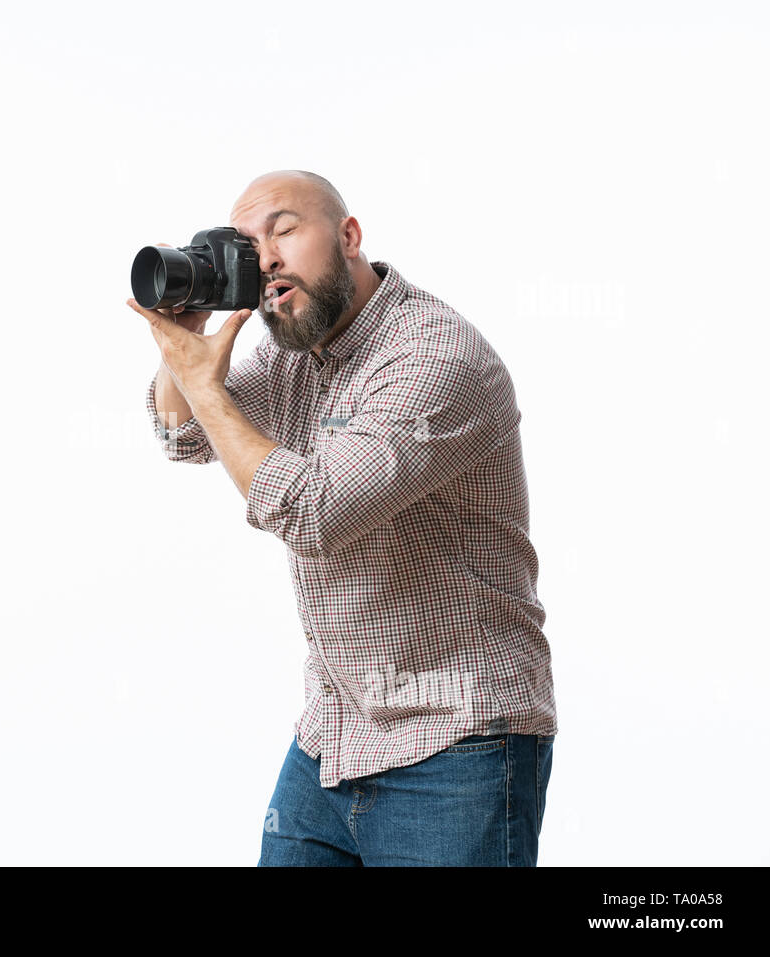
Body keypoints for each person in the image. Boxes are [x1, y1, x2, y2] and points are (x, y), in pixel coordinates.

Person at [127, 170, 558, 866]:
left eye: (283, 229)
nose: (262, 256)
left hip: (459, 741)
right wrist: (185, 338)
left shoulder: (434, 354)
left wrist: (202, 381)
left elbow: (312, 509)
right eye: (245, 244)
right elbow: (187, 436)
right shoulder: (298, 356)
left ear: (350, 236)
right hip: (335, 732)